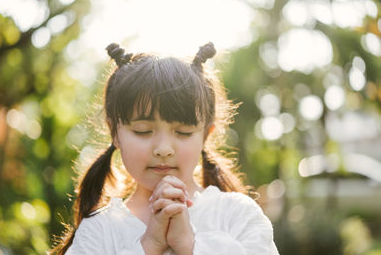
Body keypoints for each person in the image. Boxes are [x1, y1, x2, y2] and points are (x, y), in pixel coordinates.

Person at [51, 42, 279, 254]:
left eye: (183, 132)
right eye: (142, 131)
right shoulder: (99, 231)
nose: (163, 149)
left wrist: (190, 245)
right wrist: (149, 245)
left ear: (205, 135)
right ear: (115, 133)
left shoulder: (237, 215)